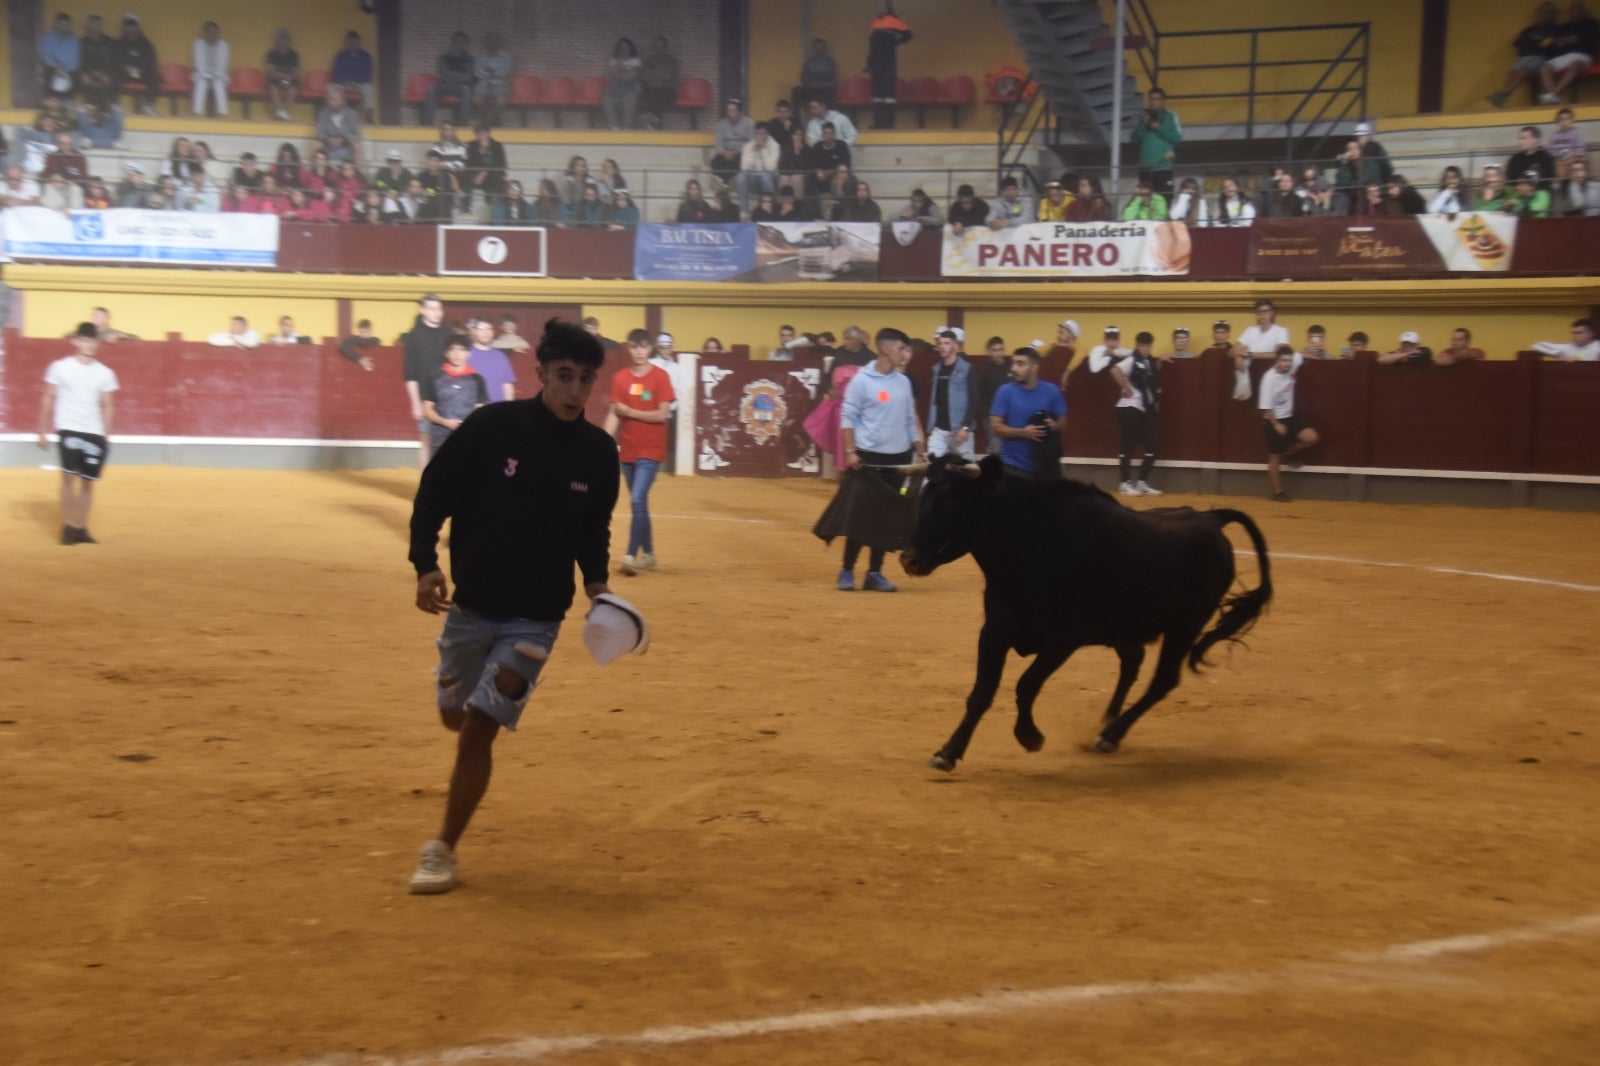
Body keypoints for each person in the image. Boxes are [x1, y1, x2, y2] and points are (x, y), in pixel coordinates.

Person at [405, 319, 618, 896]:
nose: (575, 390)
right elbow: (434, 491)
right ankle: (455, 693)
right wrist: (425, 562)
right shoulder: (492, 428)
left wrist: (598, 588)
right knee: (453, 713)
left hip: (537, 618)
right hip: (471, 607)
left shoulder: (599, 453)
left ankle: (442, 848)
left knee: (478, 729)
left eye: (585, 380)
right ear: (541, 373)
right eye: (565, 376)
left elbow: (592, 530)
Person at [837, 327, 924, 591]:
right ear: (885, 348)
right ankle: (847, 570)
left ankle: (874, 572)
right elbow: (847, 416)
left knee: (886, 518)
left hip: (898, 459)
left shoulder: (903, 382)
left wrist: (919, 448)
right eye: (901, 348)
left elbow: (910, 420)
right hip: (868, 459)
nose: (905, 354)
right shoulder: (862, 380)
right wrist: (851, 451)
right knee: (860, 517)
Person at [38, 322, 119, 546]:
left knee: (87, 482)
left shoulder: (105, 373)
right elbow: (48, 397)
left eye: (92, 340)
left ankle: (81, 528)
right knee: (67, 477)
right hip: (68, 428)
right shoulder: (60, 367)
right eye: (84, 340)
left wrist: (106, 436)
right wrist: (41, 428)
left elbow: (109, 405)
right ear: (75, 340)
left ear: (97, 343)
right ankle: (67, 526)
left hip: (93, 431)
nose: (88, 344)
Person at [604, 328, 677, 576]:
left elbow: (663, 414)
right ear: (629, 348)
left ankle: (630, 554)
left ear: (650, 349)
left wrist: (631, 412)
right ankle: (649, 555)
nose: (639, 352)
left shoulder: (661, 377)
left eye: (644, 347)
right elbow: (614, 414)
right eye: (635, 347)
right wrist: (601, 444)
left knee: (636, 499)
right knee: (640, 503)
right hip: (628, 450)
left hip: (651, 450)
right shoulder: (620, 378)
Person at [989, 344, 1067, 477]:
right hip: (1013, 466)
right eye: (1013, 363)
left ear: (1034, 367)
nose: (1014, 368)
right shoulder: (1005, 391)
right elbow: (995, 427)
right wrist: (1023, 432)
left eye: (1020, 364)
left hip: (1046, 466)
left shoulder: (1052, 391)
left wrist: (1054, 426)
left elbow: (1063, 423)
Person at [1258, 344, 1318, 502]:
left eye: (1289, 361)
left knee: (1312, 438)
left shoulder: (1293, 364)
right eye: (1284, 360)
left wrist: (1317, 355)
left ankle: (1290, 450)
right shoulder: (1268, 378)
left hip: (1290, 417)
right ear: (1276, 361)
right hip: (1272, 419)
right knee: (1275, 457)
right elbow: (1265, 407)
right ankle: (1277, 492)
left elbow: (1302, 354)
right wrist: (1276, 424)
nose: (1287, 364)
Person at [1111, 331, 1163, 496]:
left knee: (1152, 447)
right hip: (1127, 408)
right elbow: (1115, 370)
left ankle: (1141, 483)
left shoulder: (1149, 362)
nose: (1145, 348)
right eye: (1142, 345)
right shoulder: (1132, 359)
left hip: (1139, 410)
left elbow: (1151, 378)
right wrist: (1126, 388)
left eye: (1148, 345)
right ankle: (1125, 483)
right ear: (1137, 345)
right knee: (1128, 445)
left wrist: (1161, 360)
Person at [403, 294, 451, 470]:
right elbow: (410, 374)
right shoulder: (414, 336)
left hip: (450, 396)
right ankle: (426, 487)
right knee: (427, 441)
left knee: (452, 443)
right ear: (423, 310)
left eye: (439, 308)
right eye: (431, 308)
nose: (436, 312)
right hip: (426, 398)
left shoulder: (449, 333)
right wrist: (415, 403)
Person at [421, 334, 489, 452]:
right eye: (453, 349)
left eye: (462, 350)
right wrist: (445, 422)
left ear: (468, 353)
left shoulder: (477, 379)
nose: (457, 354)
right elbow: (427, 410)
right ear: (446, 353)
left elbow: (481, 411)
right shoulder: (434, 378)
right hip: (440, 440)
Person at [1491, 3, 1561, 107]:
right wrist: (1535, 43)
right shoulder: (1529, 29)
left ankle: (1503, 94)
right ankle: (1503, 99)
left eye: (1549, 12)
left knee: (1524, 71)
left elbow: (1548, 44)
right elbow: (1517, 44)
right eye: (1544, 11)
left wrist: (1534, 44)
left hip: (1539, 58)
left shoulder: (1555, 28)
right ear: (1539, 13)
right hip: (1522, 57)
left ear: (1553, 14)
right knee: (1512, 74)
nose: (1546, 14)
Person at [925, 328, 975, 459]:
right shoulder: (936, 369)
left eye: (946, 343)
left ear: (955, 346)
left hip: (959, 429)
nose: (942, 347)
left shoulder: (967, 368)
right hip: (939, 429)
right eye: (940, 343)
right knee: (932, 468)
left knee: (967, 472)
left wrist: (965, 427)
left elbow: (974, 400)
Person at [1538, 1, 1599, 103]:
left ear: (1583, 10)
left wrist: (1573, 39)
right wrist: (1561, 42)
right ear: (1569, 12)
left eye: (1578, 9)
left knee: (1575, 65)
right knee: (1544, 67)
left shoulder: (1592, 23)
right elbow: (1556, 42)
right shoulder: (1564, 26)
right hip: (1564, 55)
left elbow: (1590, 40)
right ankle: (1554, 96)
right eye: (1573, 9)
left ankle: (1553, 93)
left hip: (1583, 55)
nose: (1576, 11)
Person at [866, 2, 913, 128]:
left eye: (881, 5)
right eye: (877, 5)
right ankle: (877, 123)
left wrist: (894, 42)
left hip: (888, 65)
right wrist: (869, 62)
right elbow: (872, 46)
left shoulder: (894, 20)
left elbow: (908, 35)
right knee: (877, 96)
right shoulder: (875, 23)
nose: (878, 7)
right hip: (876, 66)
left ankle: (888, 124)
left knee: (888, 96)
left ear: (888, 8)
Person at [1131, 87, 1181, 196]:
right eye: (1151, 99)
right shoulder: (1143, 117)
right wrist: (1143, 125)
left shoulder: (1171, 116)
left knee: (1164, 200)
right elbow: (1134, 139)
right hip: (1145, 168)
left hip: (1163, 167)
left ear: (1163, 101)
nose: (1154, 102)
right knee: (1144, 202)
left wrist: (1159, 128)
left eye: (1157, 99)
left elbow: (1177, 138)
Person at [969, 334, 1012, 454]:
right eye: (994, 350)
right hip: (992, 416)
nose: (998, 353)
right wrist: (988, 415)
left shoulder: (1012, 367)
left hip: (1011, 414)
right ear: (989, 352)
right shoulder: (984, 372)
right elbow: (978, 396)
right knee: (996, 448)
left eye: (1000, 349)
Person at [426, 33, 476, 126]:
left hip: (460, 87)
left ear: (465, 44)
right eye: (457, 41)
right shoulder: (444, 57)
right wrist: (460, 76)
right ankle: (428, 124)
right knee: (431, 87)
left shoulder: (469, 59)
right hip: (445, 85)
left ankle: (462, 125)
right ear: (452, 42)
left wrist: (451, 76)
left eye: (462, 42)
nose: (459, 44)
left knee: (466, 90)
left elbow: (469, 76)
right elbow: (441, 73)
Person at [114, 15, 158, 117]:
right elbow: (115, 60)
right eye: (127, 25)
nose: (130, 28)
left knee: (155, 76)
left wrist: (140, 70)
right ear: (123, 27)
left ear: (137, 27)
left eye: (132, 25)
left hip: (140, 74)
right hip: (125, 74)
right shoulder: (119, 42)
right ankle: (115, 107)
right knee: (112, 75)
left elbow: (152, 61)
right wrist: (125, 67)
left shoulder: (146, 43)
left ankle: (149, 105)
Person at [465, 318, 516, 402]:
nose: (486, 332)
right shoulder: (466, 355)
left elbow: (507, 385)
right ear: (474, 331)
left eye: (489, 329)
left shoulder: (500, 356)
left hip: (498, 409)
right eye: (482, 329)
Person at [464, 124, 507, 218]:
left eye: (484, 133)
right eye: (479, 134)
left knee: (500, 183)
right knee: (466, 178)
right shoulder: (471, 145)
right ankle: (466, 209)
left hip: (492, 175)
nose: (482, 136)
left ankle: (504, 209)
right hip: (475, 175)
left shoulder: (497, 145)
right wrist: (482, 150)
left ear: (489, 133)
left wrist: (484, 173)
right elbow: (469, 163)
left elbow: (501, 164)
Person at [316, 86, 365, 168]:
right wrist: (329, 140)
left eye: (334, 99)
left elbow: (356, 135)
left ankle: (360, 176)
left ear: (343, 100)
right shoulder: (324, 113)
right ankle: (314, 174)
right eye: (330, 99)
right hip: (328, 146)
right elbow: (319, 133)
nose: (331, 102)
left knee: (357, 145)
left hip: (346, 147)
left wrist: (343, 140)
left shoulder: (352, 115)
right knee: (316, 144)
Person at [78, 13, 117, 113]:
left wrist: (105, 74)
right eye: (93, 24)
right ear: (87, 26)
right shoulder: (82, 42)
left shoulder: (109, 41)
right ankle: (91, 110)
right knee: (85, 80)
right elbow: (82, 62)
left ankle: (106, 110)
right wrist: (91, 74)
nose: (96, 26)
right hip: (89, 72)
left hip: (106, 72)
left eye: (98, 24)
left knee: (110, 79)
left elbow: (113, 62)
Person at [737, 123, 780, 216]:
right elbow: (744, 167)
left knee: (765, 175)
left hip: (770, 178)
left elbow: (770, 168)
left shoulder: (774, 146)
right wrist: (754, 151)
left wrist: (763, 150)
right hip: (754, 178)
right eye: (757, 133)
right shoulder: (748, 146)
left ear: (767, 134)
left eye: (762, 133)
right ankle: (744, 212)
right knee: (741, 176)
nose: (759, 136)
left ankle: (769, 209)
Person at [331, 31, 374, 120]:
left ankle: (368, 116)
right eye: (350, 41)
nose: (352, 43)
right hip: (343, 84)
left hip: (359, 85)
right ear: (346, 42)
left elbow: (368, 75)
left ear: (359, 42)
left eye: (355, 41)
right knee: (331, 87)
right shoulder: (340, 56)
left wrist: (354, 85)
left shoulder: (366, 57)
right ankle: (333, 115)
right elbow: (335, 73)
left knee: (369, 88)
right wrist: (345, 83)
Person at [639, 36, 679, 129]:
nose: (659, 49)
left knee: (658, 94)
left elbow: (670, 76)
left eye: (662, 46)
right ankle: (656, 122)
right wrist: (661, 73)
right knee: (653, 93)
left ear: (666, 48)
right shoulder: (648, 60)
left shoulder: (672, 61)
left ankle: (651, 121)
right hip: (650, 90)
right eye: (657, 46)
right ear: (654, 48)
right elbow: (644, 77)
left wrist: (653, 73)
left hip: (667, 90)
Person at [473, 32, 512, 126]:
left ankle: (488, 120)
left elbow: (505, 70)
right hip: (483, 82)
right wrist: (491, 73)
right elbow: (477, 71)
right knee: (476, 99)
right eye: (489, 40)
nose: (492, 42)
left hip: (499, 83)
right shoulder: (480, 56)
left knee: (501, 101)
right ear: (486, 42)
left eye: (494, 40)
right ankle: (490, 119)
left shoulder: (506, 56)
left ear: (498, 42)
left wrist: (492, 73)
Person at [711, 99, 755, 183]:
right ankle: (726, 183)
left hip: (741, 153)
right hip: (725, 153)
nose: (730, 114)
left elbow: (752, 143)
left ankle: (727, 183)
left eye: (733, 111)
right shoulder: (721, 124)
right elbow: (718, 145)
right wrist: (725, 153)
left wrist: (737, 152)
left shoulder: (749, 123)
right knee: (715, 162)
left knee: (740, 164)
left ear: (739, 111)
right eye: (728, 111)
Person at [603, 38, 641, 131]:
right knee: (607, 98)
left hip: (632, 85)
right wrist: (620, 60)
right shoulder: (614, 60)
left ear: (631, 48)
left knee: (630, 98)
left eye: (626, 47)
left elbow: (633, 75)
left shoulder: (635, 60)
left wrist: (618, 74)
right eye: (622, 47)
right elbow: (611, 74)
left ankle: (627, 127)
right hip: (616, 86)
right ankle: (614, 127)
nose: (624, 49)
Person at [39, 12, 79, 99]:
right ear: (56, 24)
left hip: (68, 71)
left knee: (76, 76)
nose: (64, 27)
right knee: (45, 74)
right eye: (62, 24)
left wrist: (64, 72)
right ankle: (51, 102)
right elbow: (46, 56)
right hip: (52, 68)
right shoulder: (48, 38)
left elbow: (75, 61)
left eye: (67, 25)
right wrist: (57, 67)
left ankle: (67, 103)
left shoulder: (74, 40)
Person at [264, 28, 299, 121]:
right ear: (277, 40)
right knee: (272, 84)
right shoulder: (271, 54)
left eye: (286, 38)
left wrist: (288, 77)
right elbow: (271, 71)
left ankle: (284, 112)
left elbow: (295, 71)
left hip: (289, 80)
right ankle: (280, 110)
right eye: (281, 38)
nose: (284, 41)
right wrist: (283, 76)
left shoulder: (294, 54)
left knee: (294, 86)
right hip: (276, 79)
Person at [1533, 318, 1600, 360]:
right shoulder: (1566, 348)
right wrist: (1558, 354)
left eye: (1579, 333)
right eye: (1573, 333)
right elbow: (1537, 345)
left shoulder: (1598, 346)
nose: (1574, 335)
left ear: (1590, 334)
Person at [798, 37, 838, 109]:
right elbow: (804, 79)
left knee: (831, 89)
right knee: (796, 91)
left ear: (824, 49)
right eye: (816, 48)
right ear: (813, 49)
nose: (819, 50)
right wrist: (820, 78)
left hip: (826, 89)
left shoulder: (830, 62)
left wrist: (815, 78)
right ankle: (796, 119)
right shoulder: (808, 63)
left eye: (821, 48)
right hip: (812, 90)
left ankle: (828, 115)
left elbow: (832, 79)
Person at [1550, 107, 1588, 178]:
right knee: (1558, 164)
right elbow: (1550, 153)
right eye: (1561, 119)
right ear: (1558, 121)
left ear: (1572, 120)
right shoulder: (1554, 136)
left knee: (1564, 165)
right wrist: (1559, 160)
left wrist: (1567, 160)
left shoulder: (1576, 134)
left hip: (1573, 161)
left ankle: (1563, 184)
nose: (1564, 122)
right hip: (1558, 162)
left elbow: (1579, 154)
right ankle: (1563, 183)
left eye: (1567, 119)